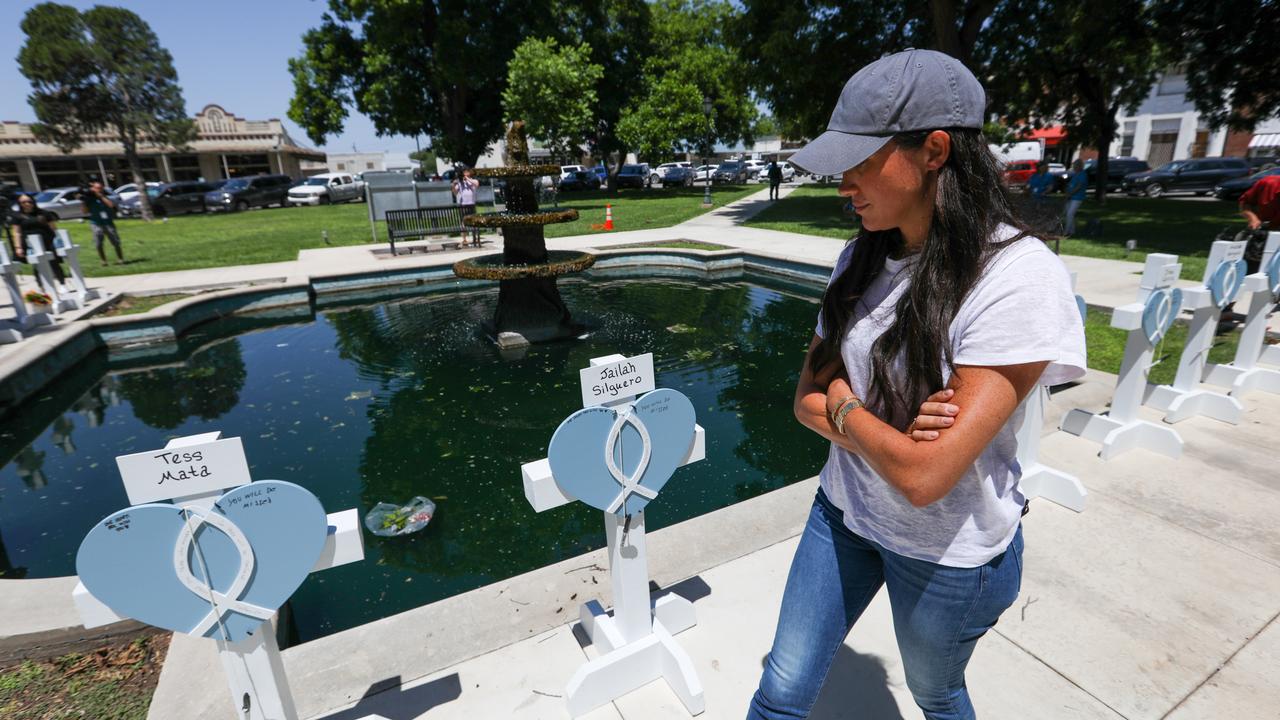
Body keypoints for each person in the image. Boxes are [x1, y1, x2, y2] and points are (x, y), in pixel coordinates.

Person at [751, 49, 1086, 720]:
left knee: (936, 693)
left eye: (861, 161)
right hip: (843, 514)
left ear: (934, 149)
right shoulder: (861, 255)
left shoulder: (1014, 277)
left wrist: (845, 403)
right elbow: (804, 400)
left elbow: (925, 477)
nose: (844, 183)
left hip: (947, 553)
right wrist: (874, 425)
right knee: (780, 692)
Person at [9, 194, 68, 294]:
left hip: (47, 241)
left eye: (29, 201)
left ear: (33, 202)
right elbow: (17, 233)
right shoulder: (17, 216)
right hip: (31, 244)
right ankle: (42, 286)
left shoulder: (43, 213)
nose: (27, 204)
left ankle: (62, 284)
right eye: (23, 202)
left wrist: (58, 241)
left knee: (54, 263)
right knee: (37, 265)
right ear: (20, 204)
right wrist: (18, 247)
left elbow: (53, 228)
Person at [82, 180, 123, 266]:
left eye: (100, 188)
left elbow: (111, 205)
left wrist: (101, 196)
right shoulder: (90, 199)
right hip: (96, 223)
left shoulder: (106, 196)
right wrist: (84, 202)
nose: (99, 190)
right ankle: (103, 261)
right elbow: (84, 212)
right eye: (97, 188)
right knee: (98, 243)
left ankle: (120, 259)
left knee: (115, 241)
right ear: (93, 188)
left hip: (108, 222)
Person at [452, 168, 481, 247]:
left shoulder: (474, 181)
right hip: (463, 205)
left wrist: (467, 178)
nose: (465, 173)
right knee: (463, 222)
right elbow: (455, 192)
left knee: (474, 222)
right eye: (464, 172)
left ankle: (475, 238)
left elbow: (476, 184)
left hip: (471, 204)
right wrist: (453, 185)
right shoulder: (460, 183)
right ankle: (464, 239)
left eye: (467, 172)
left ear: (470, 173)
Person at [1063, 159, 1088, 236]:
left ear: (1079, 166)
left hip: (1077, 198)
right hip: (1070, 197)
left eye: (1075, 165)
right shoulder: (1075, 174)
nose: (1074, 167)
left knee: (1070, 214)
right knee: (1069, 214)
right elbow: (1071, 185)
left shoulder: (1082, 174)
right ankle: (1072, 231)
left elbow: (1079, 186)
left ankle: (1066, 231)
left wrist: (1070, 194)